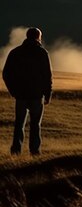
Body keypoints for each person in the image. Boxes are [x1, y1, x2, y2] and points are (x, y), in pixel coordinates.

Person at [2, 27, 52, 156]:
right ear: (38, 37)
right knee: (36, 125)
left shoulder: (16, 52)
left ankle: (16, 151)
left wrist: (13, 91)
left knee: (19, 124)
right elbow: (47, 76)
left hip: (21, 95)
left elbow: (6, 73)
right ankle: (35, 152)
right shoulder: (42, 53)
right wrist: (48, 94)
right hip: (36, 95)